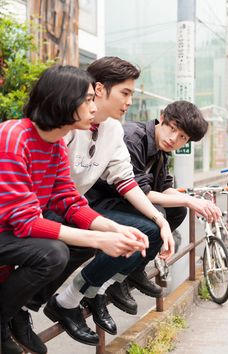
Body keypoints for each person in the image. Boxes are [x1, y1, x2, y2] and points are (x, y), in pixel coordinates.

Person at [0, 65, 149, 354]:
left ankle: (13, 313)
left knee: (71, 240)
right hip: (7, 230)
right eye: (89, 99)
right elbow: (25, 222)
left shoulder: (54, 146)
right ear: (64, 100)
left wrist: (114, 228)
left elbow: (69, 201)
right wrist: (100, 240)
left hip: (9, 233)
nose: (95, 107)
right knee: (54, 252)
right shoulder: (13, 139)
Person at [50, 56, 174, 328]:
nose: (129, 102)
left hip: (76, 207)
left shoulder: (113, 130)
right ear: (99, 89)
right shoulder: (68, 126)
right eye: (125, 93)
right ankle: (29, 307)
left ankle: (84, 294)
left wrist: (160, 219)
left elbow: (126, 180)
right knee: (69, 247)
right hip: (52, 207)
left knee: (147, 230)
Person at [91, 99, 222, 293]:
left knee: (177, 211)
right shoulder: (133, 138)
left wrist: (193, 202)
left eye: (183, 137)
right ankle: (108, 283)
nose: (174, 139)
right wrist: (187, 199)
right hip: (99, 202)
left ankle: (131, 272)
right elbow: (136, 191)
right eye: (172, 128)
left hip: (120, 202)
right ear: (162, 118)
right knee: (155, 222)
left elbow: (164, 189)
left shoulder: (161, 151)